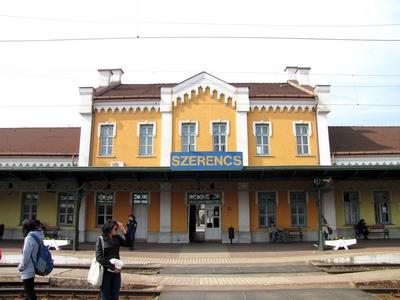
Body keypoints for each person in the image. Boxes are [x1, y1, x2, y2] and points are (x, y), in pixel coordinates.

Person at [96, 219, 131, 300]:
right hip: (106, 272)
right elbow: (99, 257)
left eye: (117, 228)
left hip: (116, 272)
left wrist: (123, 229)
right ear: (109, 229)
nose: (117, 230)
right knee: (105, 297)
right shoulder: (100, 239)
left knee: (115, 296)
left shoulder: (117, 238)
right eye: (115, 229)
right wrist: (112, 267)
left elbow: (129, 243)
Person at [18, 219, 43, 300]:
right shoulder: (37, 236)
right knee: (30, 292)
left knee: (30, 293)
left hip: (27, 268)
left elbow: (26, 255)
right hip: (33, 266)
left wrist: (21, 267)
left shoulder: (29, 238)